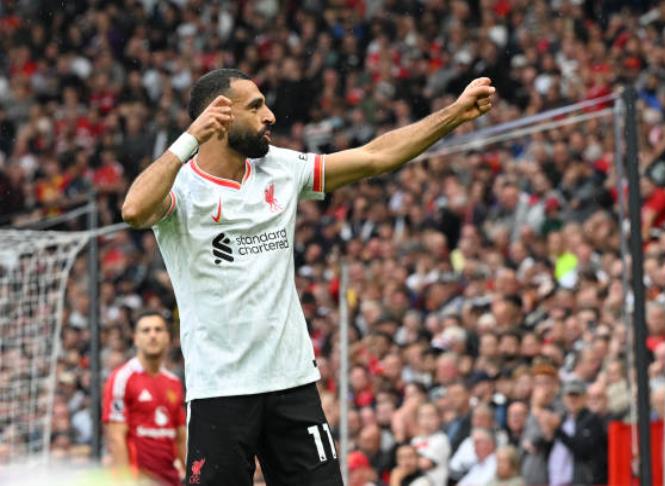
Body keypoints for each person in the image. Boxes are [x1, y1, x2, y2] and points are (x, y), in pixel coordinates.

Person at [121, 68, 496, 486]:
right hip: (219, 391)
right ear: (219, 117)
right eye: (256, 106)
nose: (271, 116)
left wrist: (455, 114)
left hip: (292, 382)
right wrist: (190, 139)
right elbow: (134, 209)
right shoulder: (180, 189)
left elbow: (376, 156)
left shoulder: (282, 168)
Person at [102, 310, 186, 485]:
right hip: (137, 480)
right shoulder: (122, 378)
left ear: (168, 338)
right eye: (146, 330)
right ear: (135, 338)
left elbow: (180, 436)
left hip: (171, 479)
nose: (152, 335)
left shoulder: (174, 383)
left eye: (158, 329)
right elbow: (116, 437)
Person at [543, 379, 607, 486]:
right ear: (563, 398)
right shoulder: (563, 419)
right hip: (558, 480)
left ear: (585, 398)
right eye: (569, 396)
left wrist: (558, 430)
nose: (572, 399)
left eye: (576, 395)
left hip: (585, 480)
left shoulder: (592, 420)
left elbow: (582, 449)